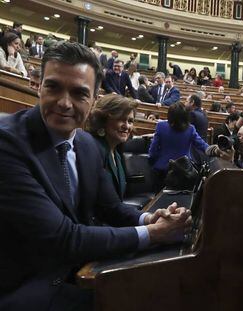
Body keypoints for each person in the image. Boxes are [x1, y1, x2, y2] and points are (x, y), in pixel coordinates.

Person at [0, 41, 192, 310]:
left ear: (93, 99)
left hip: (79, 268)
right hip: (26, 283)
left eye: (79, 93)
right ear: (38, 86)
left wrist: (149, 217)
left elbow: (110, 207)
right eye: (53, 87)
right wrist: (153, 233)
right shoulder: (7, 142)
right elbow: (63, 238)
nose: (65, 103)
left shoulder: (87, 144)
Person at [148, 103, 219, 190]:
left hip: (162, 169)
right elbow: (203, 145)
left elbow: (153, 149)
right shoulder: (190, 129)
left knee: (159, 198)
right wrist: (216, 150)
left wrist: (152, 161)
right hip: (183, 171)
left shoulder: (161, 126)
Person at [86, 94, 136, 199]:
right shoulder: (94, 150)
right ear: (103, 120)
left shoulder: (116, 152)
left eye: (130, 121)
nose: (127, 126)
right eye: (121, 119)